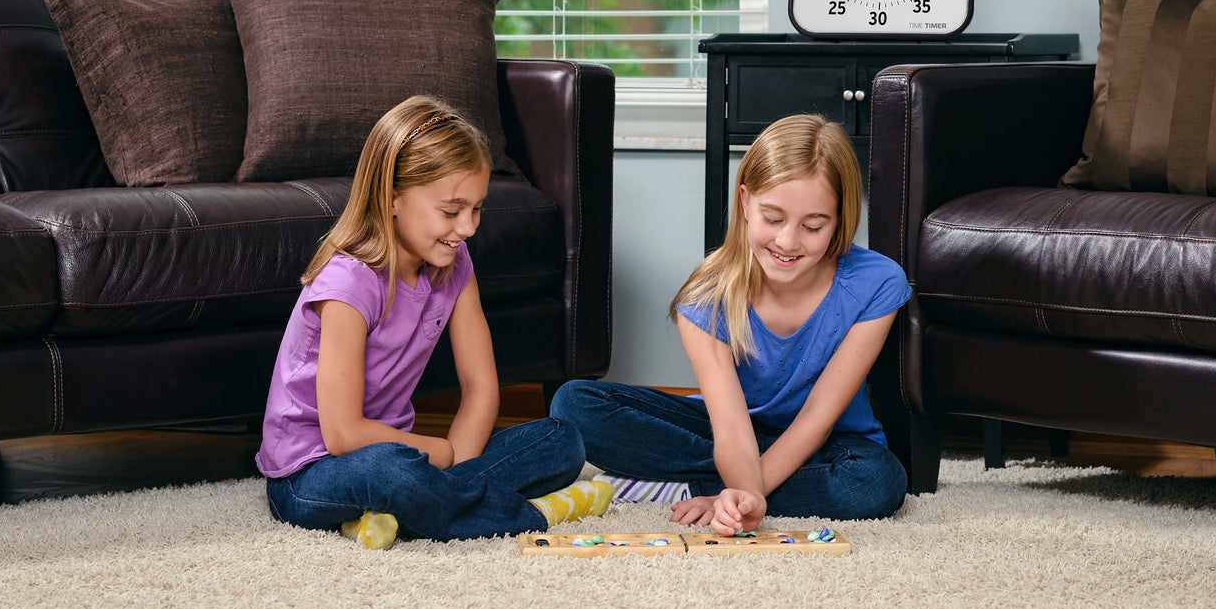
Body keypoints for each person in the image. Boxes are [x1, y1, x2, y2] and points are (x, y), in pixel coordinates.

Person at [256, 95, 612, 549]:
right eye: (450, 211)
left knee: (563, 440)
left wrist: (457, 464)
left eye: (477, 208)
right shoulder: (347, 284)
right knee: (389, 471)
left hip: (410, 459)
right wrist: (443, 454)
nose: (466, 227)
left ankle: (412, 511)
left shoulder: (455, 264)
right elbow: (344, 434)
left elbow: (481, 386)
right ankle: (531, 514)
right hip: (311, 472)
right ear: (392, 199)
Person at [550, 113, 910, 536]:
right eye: (772, 219)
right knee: (574, 405)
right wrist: (746, 484)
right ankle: (738, 487)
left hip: (827, 443)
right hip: (729, 434)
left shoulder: (877, 283)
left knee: (877, 482)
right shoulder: (706, 296)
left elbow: (818, 416)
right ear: (744, 202)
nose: (788, 242)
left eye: (813, 226)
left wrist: (745, 493)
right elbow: (732, 429)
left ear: (840, 219)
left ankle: (695, 489)